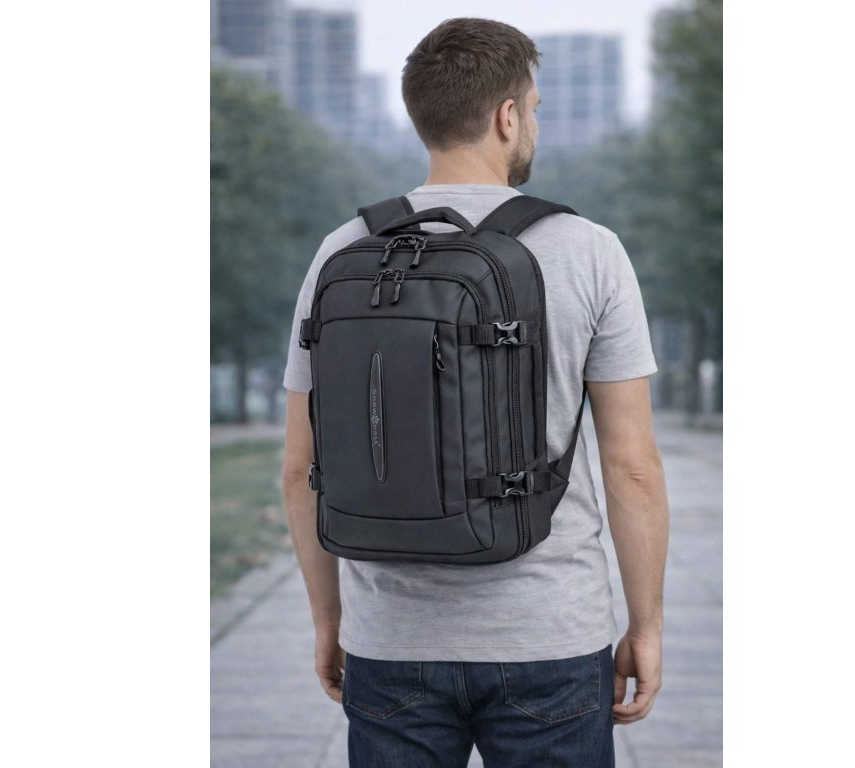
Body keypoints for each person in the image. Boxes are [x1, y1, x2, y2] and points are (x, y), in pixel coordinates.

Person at [281, 17, 669, 768]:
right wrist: (645, 625)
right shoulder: (589, 251)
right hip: (550, 635)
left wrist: (329, 621)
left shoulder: (343, 250)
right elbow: (633, 468)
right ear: (507, 116)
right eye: (536, 108)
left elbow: (301, 467)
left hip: (390, 640)